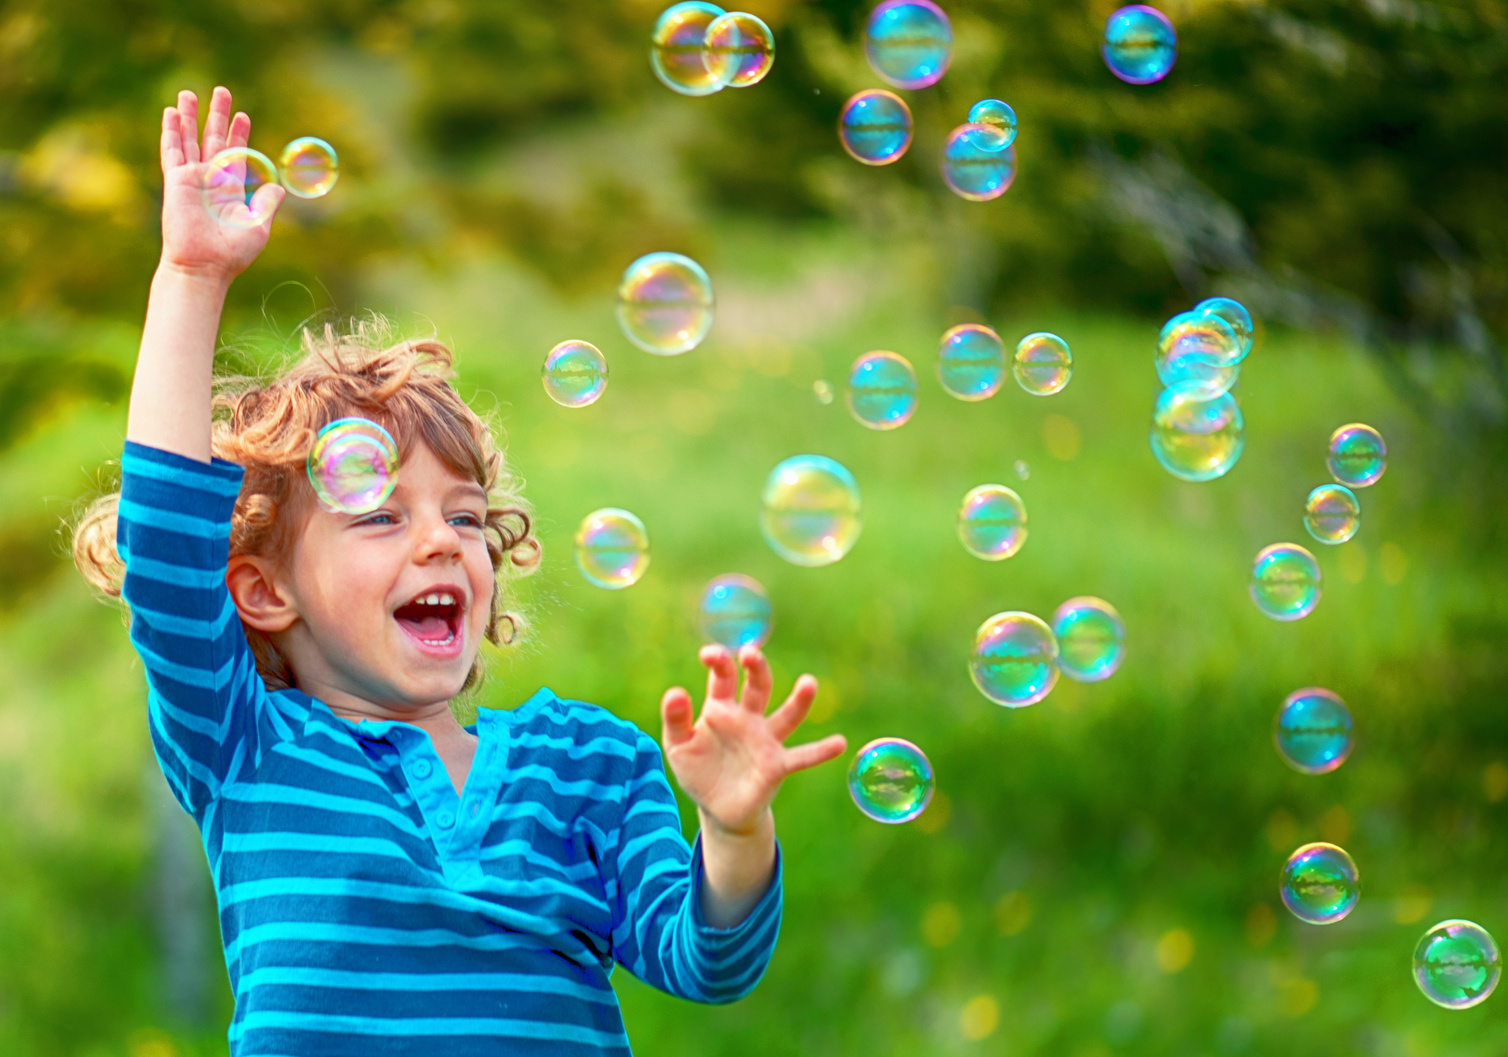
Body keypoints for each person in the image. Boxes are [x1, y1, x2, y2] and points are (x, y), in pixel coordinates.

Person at [71, 86, 846, 1055]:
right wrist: (189, 277)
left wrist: (733, 835)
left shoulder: (584, 768)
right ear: (266, 591)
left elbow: (706, 963)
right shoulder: (247, 749)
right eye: (381, 513)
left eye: (466, 517)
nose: (440, 542)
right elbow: (169, 547)